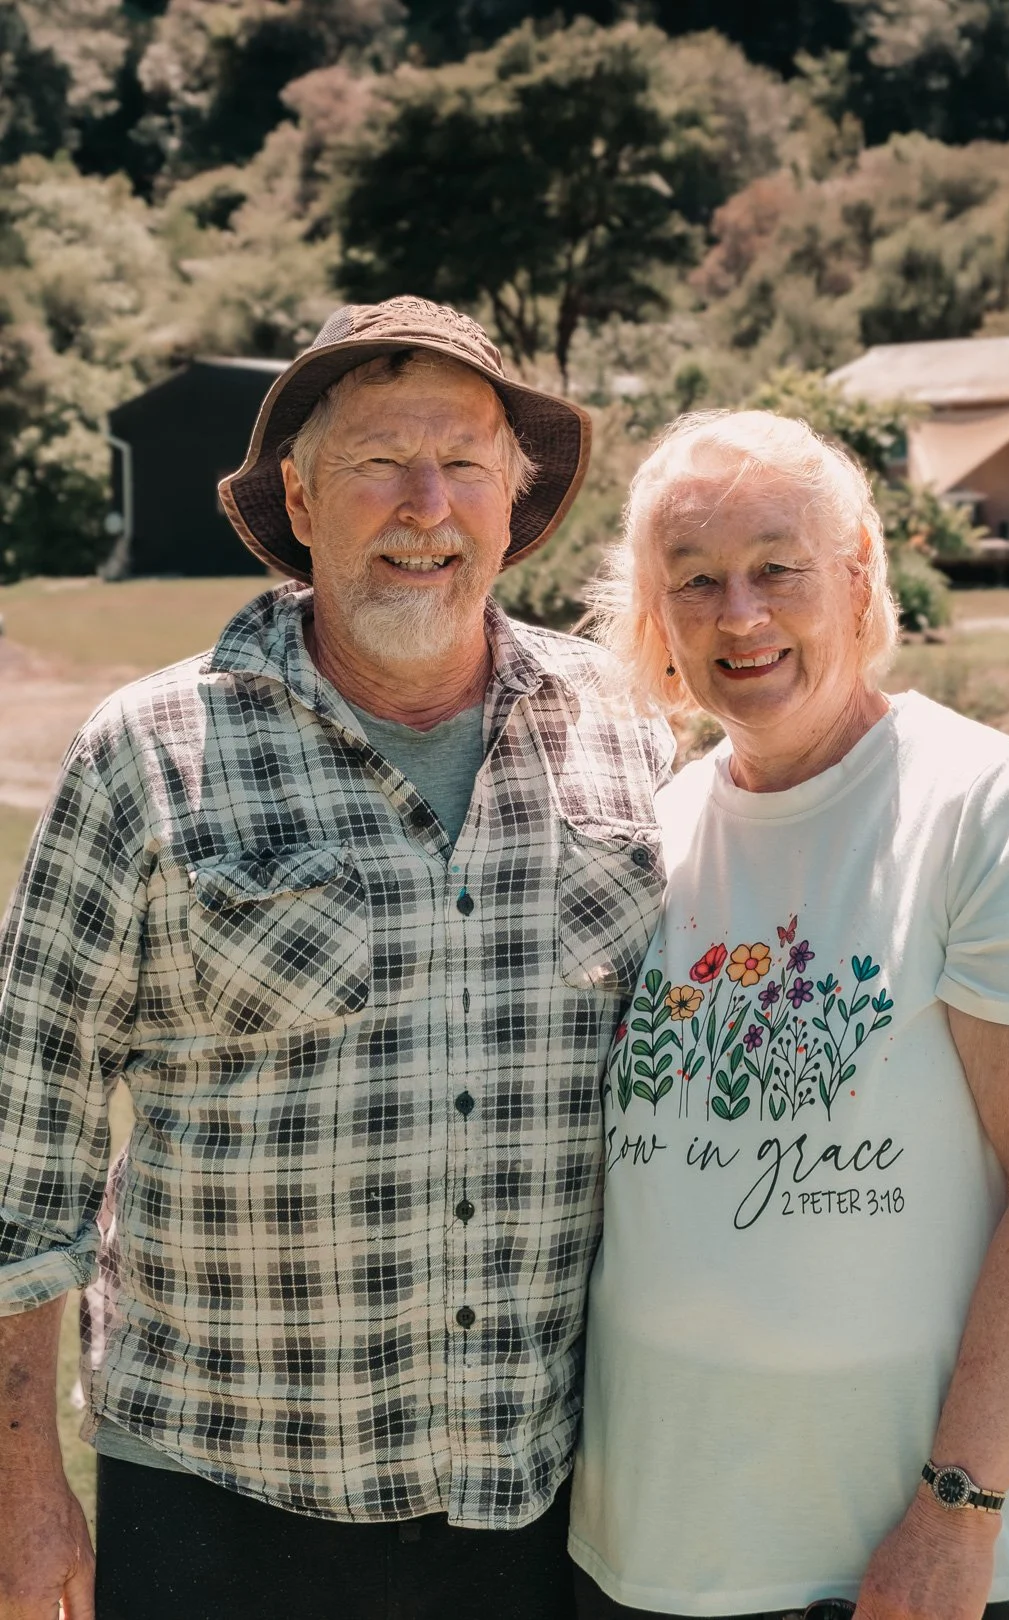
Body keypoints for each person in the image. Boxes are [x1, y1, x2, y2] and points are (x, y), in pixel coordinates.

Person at [0, 297, 672, 1620]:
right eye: (380, 462)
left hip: (529, 1503)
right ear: (300, 501)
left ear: (510, 500)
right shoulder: (145, 754)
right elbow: (24, 1168)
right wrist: (24, 1487)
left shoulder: (624, 730)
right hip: (218, 1511)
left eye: (465, 463)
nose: (427, 504)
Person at [568, 409, 1009, 1620]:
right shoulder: (657, 828)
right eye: (694, 580)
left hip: (901, 1558)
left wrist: (958, 1510)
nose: (739, 614)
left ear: (858, 578)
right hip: (648, 1549)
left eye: (776, 568)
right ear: (659, 620)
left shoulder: (984, 806)